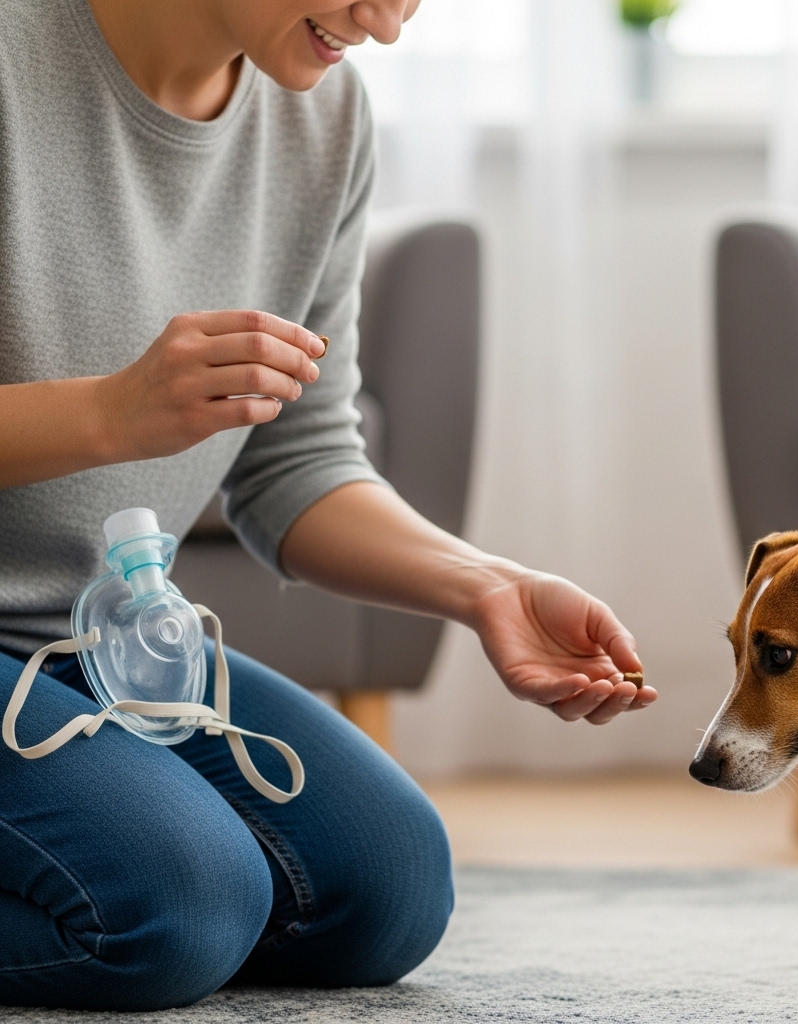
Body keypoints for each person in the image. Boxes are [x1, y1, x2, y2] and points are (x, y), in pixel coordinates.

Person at [0, 0, 658, 1011]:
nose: (384, 25)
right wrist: (108, 414)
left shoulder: (323, 118)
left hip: (98, 633)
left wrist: (490, 587)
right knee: (175, 909)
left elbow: (296, 463)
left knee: (381, 891)